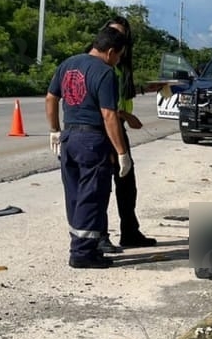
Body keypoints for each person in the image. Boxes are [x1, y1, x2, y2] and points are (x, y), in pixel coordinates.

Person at [46, 27, 133, 269]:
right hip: (92, 141)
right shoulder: (105, 73)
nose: (117, 61)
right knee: (92, 197)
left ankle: (85, 246)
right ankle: (82, 253)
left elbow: (51, 98)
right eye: (118, 56)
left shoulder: (68, 64)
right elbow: (108, 115)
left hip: (69, 137)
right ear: (111, 51)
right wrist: (122, 152)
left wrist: (54, 129)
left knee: (74, 195)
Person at [99, 15, 157, 252]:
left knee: (127, 186)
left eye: (122, 35)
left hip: (118, 126)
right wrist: (125, 116)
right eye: (114, 33)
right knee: (101, 187)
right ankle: (99, 236)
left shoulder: (121, 62)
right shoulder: (101, 64)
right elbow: (105, 107)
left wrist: (144, 88)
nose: (118, 38)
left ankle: (130, 232)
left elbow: (122, 93)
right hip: (103, 128)